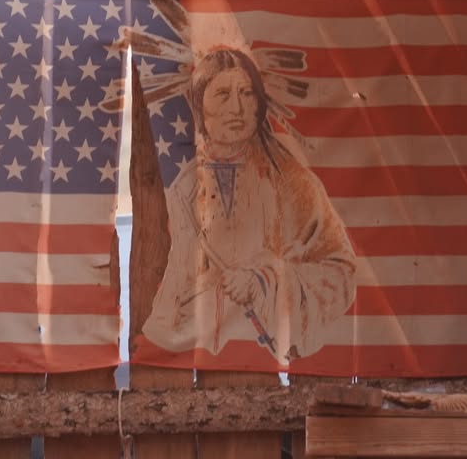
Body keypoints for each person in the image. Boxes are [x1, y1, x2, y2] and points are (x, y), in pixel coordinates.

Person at [141, 47, 356, 365]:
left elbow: (341, 271)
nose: (237, 108)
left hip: (264, 348)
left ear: (260, 105)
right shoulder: (182, 189)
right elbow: (173, 287)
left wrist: (266, 280)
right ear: (200, 106)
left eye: (246, 93)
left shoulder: (292, 182)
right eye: (223, 94)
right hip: (195, 352)